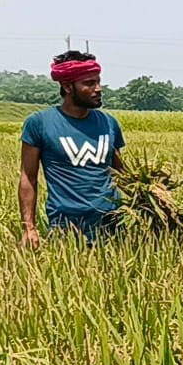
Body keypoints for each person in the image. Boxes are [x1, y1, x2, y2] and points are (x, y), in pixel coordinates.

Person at [18, 51, 126, 246]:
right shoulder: (39, 124)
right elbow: (28, 177)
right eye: (89, 83)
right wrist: (29, 227)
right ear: (68, 87)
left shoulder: (109, 123)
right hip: (67, 228)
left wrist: (154, 196)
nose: (98, 88)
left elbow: (121, 173)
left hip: (113, 225)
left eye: (98, 81)